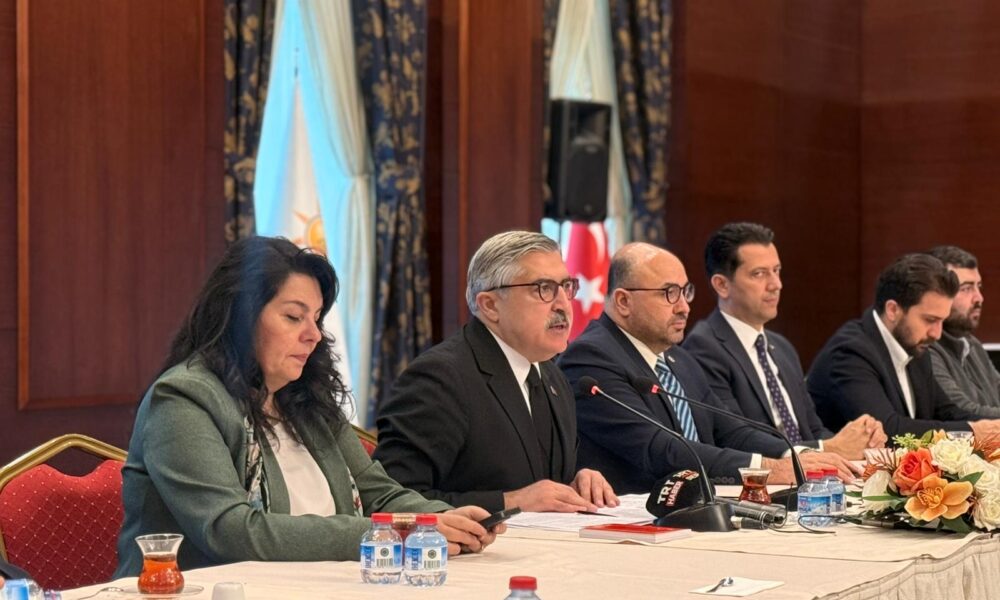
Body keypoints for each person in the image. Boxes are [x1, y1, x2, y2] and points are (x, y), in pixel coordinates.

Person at [115, 237, 498, 577]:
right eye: (294, 317)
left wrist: (438, 519)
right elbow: (230, 531)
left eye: (316, 318)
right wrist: (391, 532)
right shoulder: (184, 398)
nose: (314, 334)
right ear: (240, 317)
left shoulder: (306, 399)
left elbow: (379, 495)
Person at [558, 243, 858, 494]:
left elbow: (732, 430)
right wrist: (769, 469)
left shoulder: (679, 359)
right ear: (624, 301)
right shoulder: (591, 358)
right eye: (668, 293)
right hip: (633, 520)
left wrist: (797, 455)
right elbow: (660, 448)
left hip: (695, 508)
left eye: (685, 292)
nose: (684, 307)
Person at [375, 231, 618, 513]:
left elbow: (539, 485)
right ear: (490, 305)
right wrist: (510, 502)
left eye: (566, 286)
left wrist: (576, 482)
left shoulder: (553, 377)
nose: (563, 304)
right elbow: (392, 501)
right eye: (543, 288)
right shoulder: (439, 379)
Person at [684, 222, 886, 458]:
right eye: (759, 274)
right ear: (722, 285)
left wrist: (858, 443)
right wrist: (828, 448)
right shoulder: (703, 347)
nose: (776, 285)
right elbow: (735, 438)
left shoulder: (782, 347)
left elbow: (812, 430)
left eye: (776, 271)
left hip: (812, 474)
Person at [808, 253, 1000, 438]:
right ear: (893, 310)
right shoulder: (850, 353)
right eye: (930, 320)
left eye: (942, 321)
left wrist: (991, 427)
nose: (936, 333)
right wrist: (972, 431)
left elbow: (948, 412)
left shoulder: (914, 344)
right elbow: (888, 431)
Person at [926, 246, 1000, 417]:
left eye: (979, 287)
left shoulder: (971, 343)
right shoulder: (926, 348)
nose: (979, 298)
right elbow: (961, 410)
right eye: (966, 288)